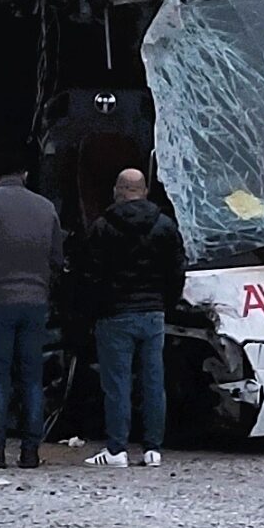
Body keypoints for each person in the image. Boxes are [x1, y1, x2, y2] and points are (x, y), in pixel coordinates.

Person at [0, 140, 64, 470]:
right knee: (32, 377)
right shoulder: (46, 208)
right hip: (35, 301)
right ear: (26, 173)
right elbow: (56, 258)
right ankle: (31, 450)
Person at [75, 168, 185, 468]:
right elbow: (176, 273)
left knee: (117, 384)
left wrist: (94, 310)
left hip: (115, 315)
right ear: (145, 190)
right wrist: (166, 304)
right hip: (152, 313)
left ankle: (117, 449)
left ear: (117, 190)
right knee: (153, 382)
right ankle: (153, 449)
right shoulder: (165, 225)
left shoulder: (102, 227)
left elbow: (90, 275)